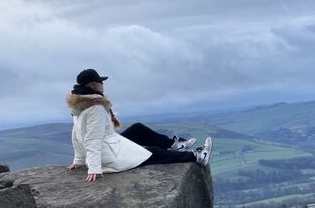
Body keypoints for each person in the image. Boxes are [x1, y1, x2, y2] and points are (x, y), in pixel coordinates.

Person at [66, 69, 213, 182]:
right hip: (107, 155)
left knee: (137, 129)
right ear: (93, 85)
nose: (103, 84)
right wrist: (94, 167)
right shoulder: (95, 108)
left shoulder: (79, 105)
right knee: (151, 152)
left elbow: (76, 134)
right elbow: (92, 138)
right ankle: (197, 157)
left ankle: (176, 145)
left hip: (107, 146)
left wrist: (79, 159)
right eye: (100, 82)